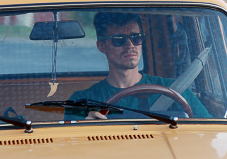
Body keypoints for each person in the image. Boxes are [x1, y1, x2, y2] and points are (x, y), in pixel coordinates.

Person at [69, 12, 211, 118]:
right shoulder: (82, 101)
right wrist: (85, 128)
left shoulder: (175, 91)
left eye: (136, 38)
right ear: (102, 46)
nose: (130, 45)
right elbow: (70, 148)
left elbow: (210, 132)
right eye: (119, 40)